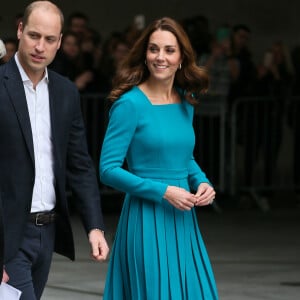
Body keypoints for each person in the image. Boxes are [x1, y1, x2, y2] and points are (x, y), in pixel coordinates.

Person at [100, 17, 218, 299]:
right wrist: (163, 191)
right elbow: (107, 169)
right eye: (154, 49)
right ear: (145, 55)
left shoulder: (185, 100)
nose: (160, 57)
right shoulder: (129, 104)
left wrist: (202, 181)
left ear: (181, 58)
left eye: (169, 50)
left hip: (183, 220)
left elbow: (184, 157)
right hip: (145, 220)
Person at [0, 1, 109, 299]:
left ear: (60, 42)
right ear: (20, 30)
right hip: (9, 232)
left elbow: (79, 164)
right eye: (34, 35)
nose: (40, 46)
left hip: (46, 232)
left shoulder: (65, 92)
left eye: (49, 39)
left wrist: (95, 226)